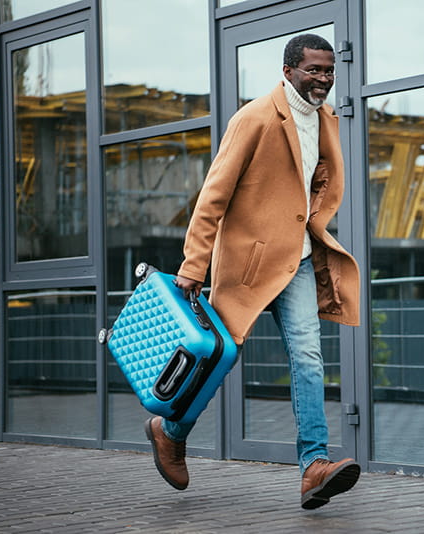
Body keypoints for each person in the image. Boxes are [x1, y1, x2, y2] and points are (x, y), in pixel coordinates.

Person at [143, 34, 362, 509]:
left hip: (298, 259)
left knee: (308, 355)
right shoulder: (254, 118)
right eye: (314, 70)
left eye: (329, 70)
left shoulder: (327, 120)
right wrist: (193, 265)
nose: (323, 78)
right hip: (247, 262)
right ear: (288, 72)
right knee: (217, 355)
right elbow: (212, 197)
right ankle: (170, 430)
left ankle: (313, 466)